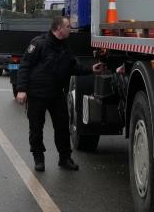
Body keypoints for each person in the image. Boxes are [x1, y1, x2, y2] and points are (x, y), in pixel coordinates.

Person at [14, 15, 103, 172]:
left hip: (56, 94)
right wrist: (21, 90)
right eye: (68, 26)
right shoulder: (38, 43)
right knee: (36, 128)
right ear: (58, 29)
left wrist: (91, 70)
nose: (70, 29)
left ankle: (65, 158)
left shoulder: (65, 47)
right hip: (37, 94)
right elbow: (25, 66)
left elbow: (73, 67)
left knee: (62, 128)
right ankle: (38, 158)